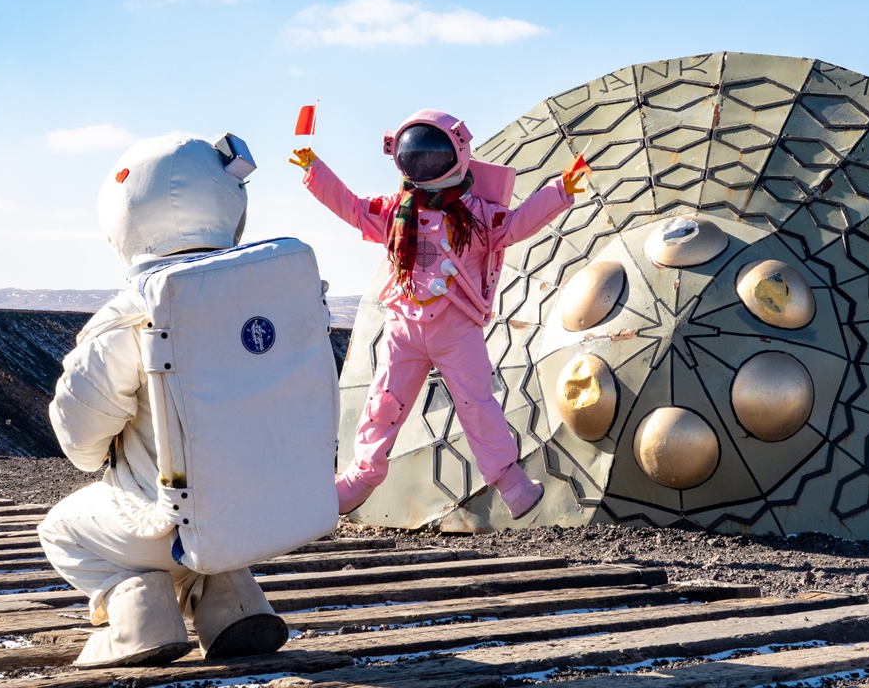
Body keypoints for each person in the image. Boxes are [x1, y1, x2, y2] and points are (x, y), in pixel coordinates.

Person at [38, 135, 291, 668]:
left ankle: (139, 615)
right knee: (210, 495)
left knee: (60, 527)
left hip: (167, 524)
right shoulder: (277, 298)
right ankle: (235, 605)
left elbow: (80, 437)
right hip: (264, 514)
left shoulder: (136, 312)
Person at [291, 109, 585, 519]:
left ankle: (511, 484)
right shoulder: (399, 211)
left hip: (455, 327)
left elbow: (517, 225)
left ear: (457, 152)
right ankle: (361, 476)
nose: (424, 162)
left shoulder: (477, 215)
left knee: (476, 405)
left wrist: (558, 190)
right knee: (384, 402)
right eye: (417, 155)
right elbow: (354, 208)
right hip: (404, 327)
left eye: (433, 154)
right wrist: (316, 172)